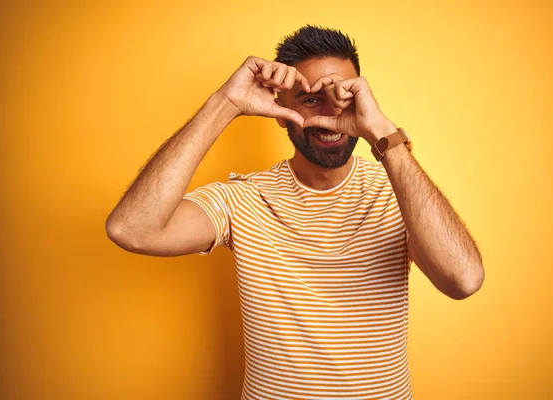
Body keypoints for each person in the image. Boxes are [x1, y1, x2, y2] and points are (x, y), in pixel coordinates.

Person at [106, 24, 485, 400]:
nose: (330, 113)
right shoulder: (245, 198)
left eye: (343, 95)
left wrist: (383, 133)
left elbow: (463, 280)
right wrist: (226, 103)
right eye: (309, 100)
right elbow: (133, 229)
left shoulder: (400, 191)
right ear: (279, 110)